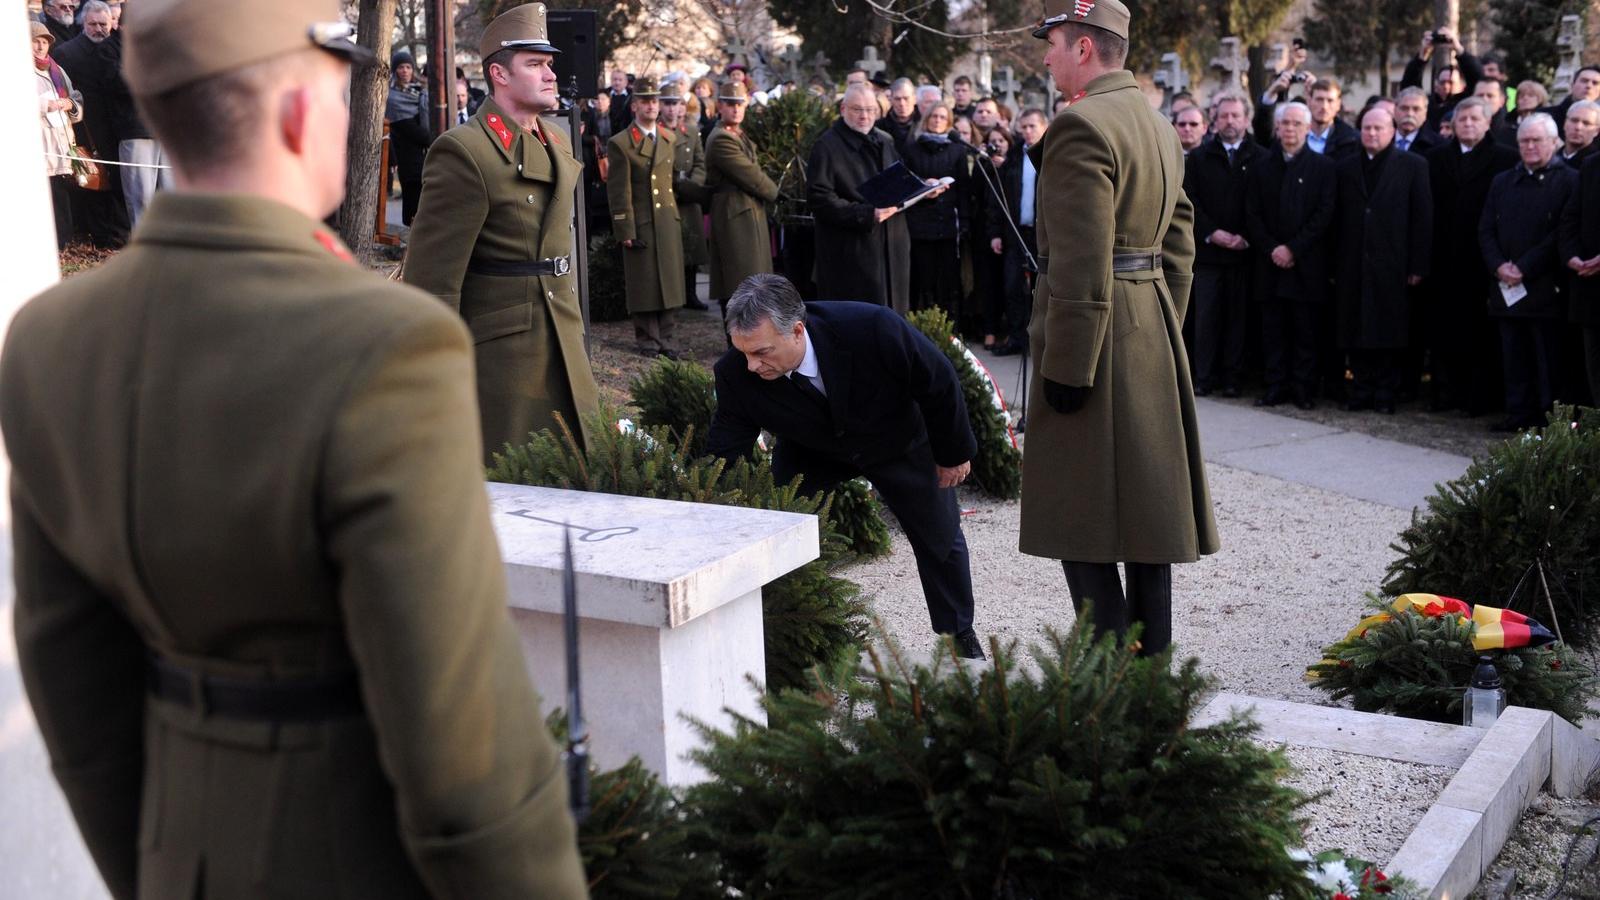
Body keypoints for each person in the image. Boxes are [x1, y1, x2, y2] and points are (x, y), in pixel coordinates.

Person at [1, 1, 589, 895]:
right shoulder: (388, 345)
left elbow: (74, 691)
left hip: (180, 860)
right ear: (296, 109)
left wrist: (158, 867)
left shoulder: (47, 342)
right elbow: (466, 756)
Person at [1022, 0, 1218, 656]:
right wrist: (1163, 318)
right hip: (1148, 323)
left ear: (1083, 49)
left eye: (1052, 44)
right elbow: (1182, 239)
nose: (1045, 57)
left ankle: (1110, 682)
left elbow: (1079, 263)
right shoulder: (1156, 124)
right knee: (1147, 523)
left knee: (1081, 519)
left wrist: (1068, 369)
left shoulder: (1080, 126)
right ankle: (1151, 676)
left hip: (1094, 340)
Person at [708, 274, 985, 659]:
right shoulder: (736, 374)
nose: (752, 365)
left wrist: (953, 453)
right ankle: (785, 634)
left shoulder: (871, 327)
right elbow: (724, 450)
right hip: (812, 450)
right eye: (744, 353)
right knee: (777, 523)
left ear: (797, 330)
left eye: (762, 352)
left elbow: (937, 380)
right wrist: (705, 499)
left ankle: (960, 635)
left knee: (940, 535)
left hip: (896, 439)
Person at [405, 2, 601, 463]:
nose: (550, 74)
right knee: (517, 488)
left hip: (564, 336)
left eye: (549, 64)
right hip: (507, 359)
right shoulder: (464, 151)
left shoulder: (556, 139)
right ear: (499, 75)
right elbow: (433, 283)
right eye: (535, 65)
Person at [1480, 113, 1578, 431]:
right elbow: (1485, 229)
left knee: (1547, 359)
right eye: (1524, 140)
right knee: (1513, 357)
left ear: (1554, 142)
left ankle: (1546, 421)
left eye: (1537, 140)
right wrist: (1498, 265)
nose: (1530, 146)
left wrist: (1524, 267)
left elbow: (1560, 234)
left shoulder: (1569, 180)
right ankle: (1517, 415)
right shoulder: (1502, 180)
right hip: (1505, 286)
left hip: (1544, 286)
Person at [1333, 106, 1433, 413]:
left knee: (1389, 329)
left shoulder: (1413, 165)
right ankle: (1362, 389)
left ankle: (1386, 392)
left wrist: (1418, 265)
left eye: (1378, 128)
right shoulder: (1347, 166)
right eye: (1366, 128)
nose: (1372, 134)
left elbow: (1422, 216)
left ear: (1392, 131)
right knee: (1357, 328)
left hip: (1394, 261)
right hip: (1354, 262)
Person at [1424, 96, 1518, 415]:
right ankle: (1444, 393)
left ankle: (1477, 398)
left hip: (1482, 260)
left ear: (1488, 122)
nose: (1467, 124)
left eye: (1474, 119)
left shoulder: (1506, 159)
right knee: (1442, 329)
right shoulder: (1435, 158)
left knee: (1480, 334)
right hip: (1442, 258)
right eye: (1461, 119)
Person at [1245, 101, 1336, 409]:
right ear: (1277, 128)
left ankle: (1303, 390)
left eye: (1297, 124)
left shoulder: (1324, 168)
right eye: (1286, 123)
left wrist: (1293, 248)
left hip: (1306, 265)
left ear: (1308, 128)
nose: (1291, 129)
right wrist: (1273, 248)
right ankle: (1275, 386)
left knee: (1305, 332)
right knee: (1273, 331)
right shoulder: (1261, 167)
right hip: (1269, 264)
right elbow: (1252, 213)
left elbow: (1324, 214)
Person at [1183, 89, 1264, 398]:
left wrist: (1246, 235)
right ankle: (1204, 377)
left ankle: (1233, 378)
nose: (1230, 121)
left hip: (1245, 253)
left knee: (1238, 321)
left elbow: (1262, 204)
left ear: (1247, 119)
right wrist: (1212, 232)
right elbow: (1191, 201)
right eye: (1224, 115)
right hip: (1208, 254)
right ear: (1214, 120)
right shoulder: (1200, 158)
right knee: (1207, 319)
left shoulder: (1261, 157)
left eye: (1236, 115)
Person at [806, 83, 913, 312]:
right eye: (857, 109)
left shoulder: (885, 140)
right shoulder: (827, 146)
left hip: (892, 245)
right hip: (852, 251)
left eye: (870, 109)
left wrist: (923, 188)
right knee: (859, 319)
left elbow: (898, 178)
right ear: (843, 109)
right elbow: (819, 198)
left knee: (892, 320)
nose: (864, 115)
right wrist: (865, 213)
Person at [607, 75, 686, 357]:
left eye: (655, 100)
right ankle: (648, 339)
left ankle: (668, 338)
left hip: (666, 220)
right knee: (644, 282)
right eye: (645, 101)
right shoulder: (621, 143)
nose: (652, 105)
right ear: (635, 106)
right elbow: (619, 191)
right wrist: (625, 230)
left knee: (669, 281)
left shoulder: (669, 137)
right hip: (640, 222)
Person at [48, 0, 128, 248]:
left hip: (116, 124)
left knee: (116, 179)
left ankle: (117, 232)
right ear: (84, 24)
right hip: (86, 126)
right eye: (92, 24)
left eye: (103, 24)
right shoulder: (67, 53)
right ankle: (97, 232)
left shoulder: (117, 49)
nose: (98, 29)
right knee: (90, 180)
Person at [705, 81, 779, 304]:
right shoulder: (721, 138)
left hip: (746, 210)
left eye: (740, 103)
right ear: (720, 106)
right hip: (734, 215)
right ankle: (736, 338)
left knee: (754, 282)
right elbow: (750, 175)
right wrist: (776, 193)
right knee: (739, 282)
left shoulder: (737, 134)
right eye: (730, 104)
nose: (736, 109)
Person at [990, 108, 1048, 356]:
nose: (1027, 132)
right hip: (1015, 232)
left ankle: (1041, 342)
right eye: (1023, 127)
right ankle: (1016, 338)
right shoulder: (1014, 157)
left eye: (1032, 126)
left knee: (1042, 289)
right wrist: (995, 232)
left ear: (1044, 127)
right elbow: (998, 199)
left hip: (1043, 235)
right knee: (1013, 287)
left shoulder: (1051, 154)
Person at [902, 102, 968, 319]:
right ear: (927, 119)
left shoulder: (957, 150)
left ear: (948, 122)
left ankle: (948, 327)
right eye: (934, 116)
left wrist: (964, 224)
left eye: (942, 117)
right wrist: (923, 185)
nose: (938, 120)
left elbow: (963, 192)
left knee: (946, 282)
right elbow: (904, 182)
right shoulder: (912, 148)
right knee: (922, 281)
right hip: (919, 225)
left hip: (946, 225)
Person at [33, 19, 81, 250]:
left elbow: (76, 98)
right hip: (40, 144)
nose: (41, 46)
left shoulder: (57, 69)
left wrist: (68, 104)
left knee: (62, 194)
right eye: (35, 41)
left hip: (62, 141)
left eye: (44, 42)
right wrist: (43, 105)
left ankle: (64, 241)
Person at [662, 81, 710, 310]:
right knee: (669, 251)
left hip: (688, 198)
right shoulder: (657, 130)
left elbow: (701, 163)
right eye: (668, 104)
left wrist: (693, 185)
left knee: (691, 249)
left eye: (677, 104)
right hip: (664, 197)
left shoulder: (690, 131)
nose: (673, 109)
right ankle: (674, 296)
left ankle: (690, 294)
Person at [1562, 149, 1600, 407]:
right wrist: (1571, 254)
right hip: (1592, 294)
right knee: (1596, 372)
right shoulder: (1592, 165)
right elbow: (1570, 217)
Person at [1399, 27, 1483, 133]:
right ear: (1436, 85)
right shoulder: (1427, 105)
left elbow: (1478, 79)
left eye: (1451, 82)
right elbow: (1409, 87)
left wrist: (1458, 49)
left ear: (1461, 85)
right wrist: (1421, 57)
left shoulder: (1466, 102)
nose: (1446, 86)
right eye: (1442, 82)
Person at [385, 47, 432, 225]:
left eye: (408, 67)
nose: (404, 71)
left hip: (426, 156)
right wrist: (431, 138)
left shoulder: (422, 92)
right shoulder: (392, 96)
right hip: (407, 156)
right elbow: (409, 129)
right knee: (412, 201)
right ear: (395, 70)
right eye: (400, 67)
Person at [1306, 78, 1359, 161]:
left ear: (1338, 105)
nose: (1324, 106)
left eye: (1330, 101)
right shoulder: (1293, 135)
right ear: (1309, 101)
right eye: (1319, 99)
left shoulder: (1351, 141)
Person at [1540, 66, 1600, 138]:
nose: (1589, 86)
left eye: (1595, 83)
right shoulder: (1544, 117)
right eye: (1584, 81)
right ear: (1572, 85)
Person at [1393, 87, 1443, 153]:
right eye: (1404, 108)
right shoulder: (1381, 140)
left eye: (1416, 109)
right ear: (1395, 110)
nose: (1409, 114)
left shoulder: (1440, 147)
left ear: (1425, 113)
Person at [876, 77, 919, 149]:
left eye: (906, 98)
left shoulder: (925, 126)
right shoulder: (879, 128)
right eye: (897, 99)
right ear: (891, 100)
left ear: (914, 99)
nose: (902, 103)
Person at [1560, 100, 1600, 168]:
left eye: (1586, 123)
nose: (1578, 127)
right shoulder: (1550, 158)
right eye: (1574, 120)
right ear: (1565, 123)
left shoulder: (1596, 165)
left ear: (1597, 131)